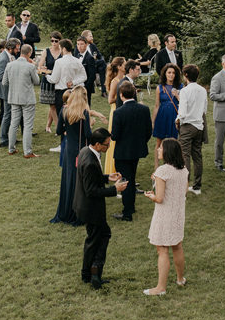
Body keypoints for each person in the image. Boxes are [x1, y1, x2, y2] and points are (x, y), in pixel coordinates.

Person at [73, 129, 128, 289]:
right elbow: (91, 190)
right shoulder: (90, 162)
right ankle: (92, 273)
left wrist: (106, 177)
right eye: (106, 144)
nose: (108, 147)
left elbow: (89, 178)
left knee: (98, 237)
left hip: (85, 205)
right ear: (97, 144)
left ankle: (90, 273)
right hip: (91, 208)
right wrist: (115, 189)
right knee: (97, 239)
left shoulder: (85, 151)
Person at [53, 86, 107, 225]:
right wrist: (91, 124)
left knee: (68, 179)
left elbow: (58, 131)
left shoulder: (64, 110)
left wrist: (68, 129)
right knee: (80, 181)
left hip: (69, 150)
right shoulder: (84, 113)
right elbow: (88, 134)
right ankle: (78, 211)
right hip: (81, 150)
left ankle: (66, 210)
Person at [143, 139, 189, 296]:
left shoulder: (162, 171)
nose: (158, 150)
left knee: (162, 250)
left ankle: (160, 288)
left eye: (161, 148)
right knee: (177, 246)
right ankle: (180, 279)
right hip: (178, 214)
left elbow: (160, 198)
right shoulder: (183, 169)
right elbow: (183, 191)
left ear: (167, 151)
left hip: (164, 215)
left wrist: (151, 196)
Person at [110, 81, 153, 222]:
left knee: (125, 180)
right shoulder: (144, 109)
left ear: (121, 95)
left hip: (123, 152)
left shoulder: (118, 112)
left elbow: (115, 136)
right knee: (132, 177)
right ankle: (131, 206)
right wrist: (140, 142)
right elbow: (148, 131)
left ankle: (127, 212)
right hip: (137, 150)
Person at [3, 44, 40, 158]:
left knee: (14, 124)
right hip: (27, 99)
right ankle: (27, 152)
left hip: (14, 98)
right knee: (28, 125)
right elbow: (37, 81)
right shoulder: (30, 66)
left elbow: (4, 82)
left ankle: (11, 149)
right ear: (29, 53)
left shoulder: (10, 65)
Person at [176, 64, 206, 196]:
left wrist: (177, 120)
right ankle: (197, 186)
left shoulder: (184, 91)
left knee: (185, 156)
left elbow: (182, 111)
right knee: (197, 156)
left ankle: (184, 185)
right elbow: (204, 109)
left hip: (187, 126)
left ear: (186, 75)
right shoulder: (203, 90)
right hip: (199, 125)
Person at [152, 63, 182, 169]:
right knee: (159, 142)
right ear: (165, 74)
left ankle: (172, 166)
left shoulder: (181, 87)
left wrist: (177, 96)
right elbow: (157, 105)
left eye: (173, 73)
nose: (171, 75)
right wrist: (153, 121)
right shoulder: (160, 88)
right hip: (162, 116)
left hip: (174, 116)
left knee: (174, 142)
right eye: (169, 72)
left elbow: (184, 103)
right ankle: (156, 166)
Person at [102, 57, 127, 174]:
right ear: (119, 67)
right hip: (116, 110)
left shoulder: (124, 79)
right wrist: (123, 97)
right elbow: (110, 99)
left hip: (123, 109)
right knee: (114, 138)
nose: (126, 66)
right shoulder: (115, 81)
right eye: (124, 64)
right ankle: (112, 167)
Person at [38, 32, 64, 134]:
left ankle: (48, 126)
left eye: (56, 41)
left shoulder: (63, 51)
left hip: (59, 81)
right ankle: (58, 128)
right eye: (52, 40)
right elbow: (40, 66)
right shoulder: (46, 51)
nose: (53, 43)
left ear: (60, 41)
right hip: (48, 81)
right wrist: (42, 67)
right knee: (52, 105)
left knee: (56, 104)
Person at [0, 39, 20, 146]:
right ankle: (3, 139)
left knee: (10, 114)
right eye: (17, 48)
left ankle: (11, 137)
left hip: (9, 90)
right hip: (5, 91)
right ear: (10, 48)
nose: (18, 50)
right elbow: (1, 77)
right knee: (7, 114)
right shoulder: (3, 59)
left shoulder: (10, 56)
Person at [74, 35, 100, 105]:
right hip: (77, 86)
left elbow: (92, 75)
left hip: (86, 87)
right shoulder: (76, 56)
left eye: (81, 44)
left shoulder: (90, 58)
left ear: (86, 45)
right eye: (78, 44)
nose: (79, 46)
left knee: (86, 106)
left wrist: (86, 88)